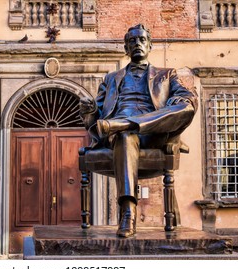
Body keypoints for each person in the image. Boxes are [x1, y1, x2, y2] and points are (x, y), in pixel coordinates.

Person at [79, 24, 198, 238]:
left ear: (150, 45)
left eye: (142, 40)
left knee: (187, 106)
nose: (137, 44)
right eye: (132, 41)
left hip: (154, 134)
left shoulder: (166, 75)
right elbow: (94, 120)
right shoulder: (110, 79)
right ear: (126, 47)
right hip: (118, 136)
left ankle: (124, 123)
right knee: (125, 135)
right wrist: (87, 111)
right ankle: (128, 212)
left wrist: (179, 101)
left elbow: (186, 99)